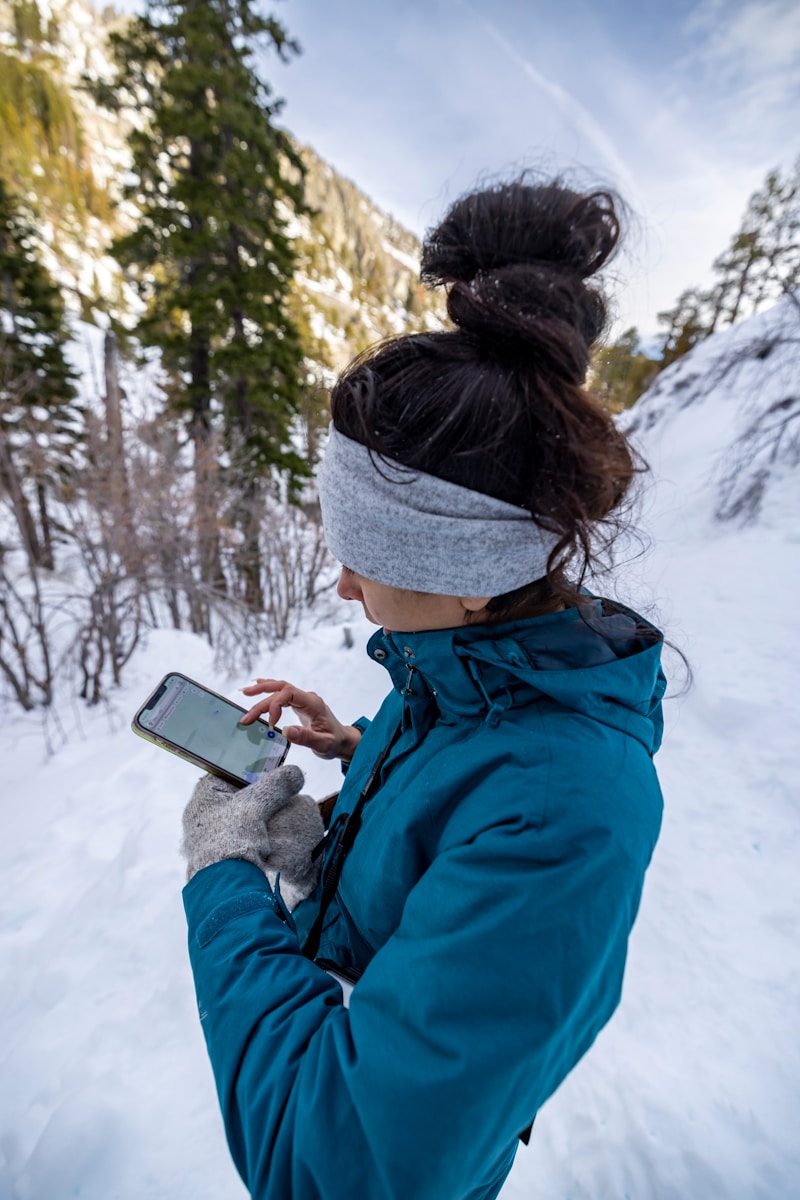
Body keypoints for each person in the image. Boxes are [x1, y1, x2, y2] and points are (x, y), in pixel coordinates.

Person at [180, 178, 665, 1200]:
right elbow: (464, 775)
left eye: (367, 557)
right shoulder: (463, 664)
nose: (343, 583)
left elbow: (336, 1165)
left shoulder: (568, 816)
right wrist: (359, 763)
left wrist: (222, 876)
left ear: (466, 568)